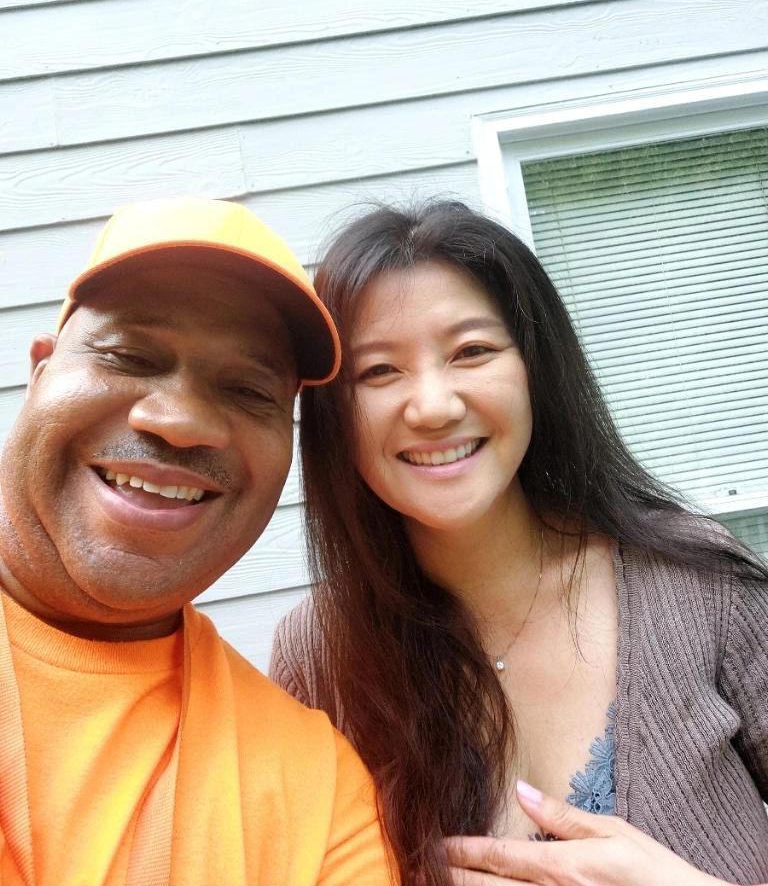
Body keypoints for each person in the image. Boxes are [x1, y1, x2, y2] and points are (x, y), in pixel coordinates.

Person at [270, 199, 768, 886]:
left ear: (535, 367)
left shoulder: (701, 583)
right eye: (379, 371)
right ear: (333, 416)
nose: (435, 405)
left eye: (471, 352)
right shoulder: (316, 660)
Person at [0, 196, 396, 885]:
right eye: (129, 355)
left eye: (247, 391)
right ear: (40, 372)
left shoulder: (320, 796)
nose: (179, 421)